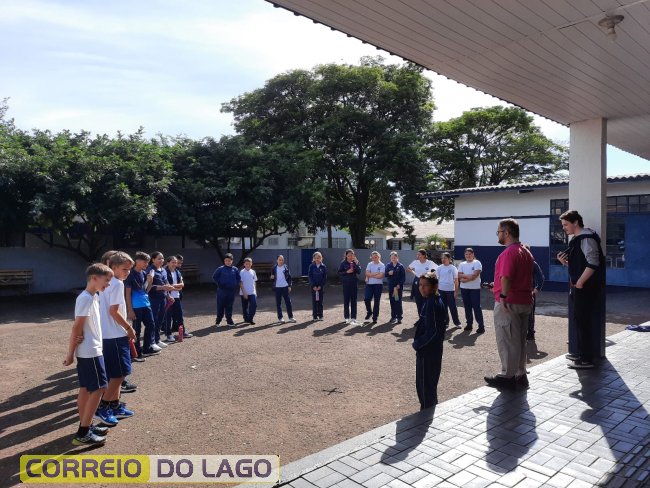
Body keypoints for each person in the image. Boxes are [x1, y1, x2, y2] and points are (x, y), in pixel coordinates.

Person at [63, 263, 113, 445]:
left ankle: (87, 424)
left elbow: (84, 326)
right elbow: (76, 327)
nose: (108, 284)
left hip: (91, 349)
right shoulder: (85, 298)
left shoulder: (93, 296)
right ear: (94, 278)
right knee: (99, 388)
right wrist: (70, 353)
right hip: (90, 351)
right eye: (106, 280)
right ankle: (83, 433)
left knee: (86, 388)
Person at [484, 219, 534, 390]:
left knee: (507, 340)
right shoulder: (526, 252)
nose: (497, 235)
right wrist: (498, 286)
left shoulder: (508, 253)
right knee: (519, 341)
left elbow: (506, 276)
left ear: (506, 233)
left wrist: (503, 295)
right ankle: (520, 375)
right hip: (524, 301)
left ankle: (507, 376)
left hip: (509, 302)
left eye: (498, 232)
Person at [557, 210, 605, 369]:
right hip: (582, 286)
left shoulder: (586, 238)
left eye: (566, 224)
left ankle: (586, 359)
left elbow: (593, 263)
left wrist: (580, 282)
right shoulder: (578, 239)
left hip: (585, 287)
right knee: (580, 319)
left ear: (576, 222)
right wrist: (565, 263)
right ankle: (582, 355)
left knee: (583, 321)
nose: (564, 228)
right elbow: (581, 264)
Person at [96, 251, 136, 425]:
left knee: (115, 373)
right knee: (120, 374)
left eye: (129, 269)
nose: (127, 272)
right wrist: (129, 328)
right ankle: (102, 407)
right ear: (113, 267)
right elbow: (114, 311)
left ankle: (115, 405)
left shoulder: (106, 282)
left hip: (107, 334)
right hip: (115, 334)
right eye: (124, 269)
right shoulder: (117, 284)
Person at [412, 272, 446, 410]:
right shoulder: (430, 300)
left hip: (429, 352)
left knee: (426, 386)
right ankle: (427, 410)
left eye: (425, 285)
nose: (422, 288)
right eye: (420, 284)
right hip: (428, 350)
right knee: (425, 385)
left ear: (435, 286)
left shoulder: (433, 302)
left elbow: (434, 331)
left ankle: (426, 415)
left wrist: (418, 344)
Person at [125, 251, 159, 357]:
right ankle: (136, 352)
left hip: (146, 304)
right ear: (137, 261)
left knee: (151, 325)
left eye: (147, 262)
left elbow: (146, 290)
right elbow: (127, 294)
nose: (147, 264)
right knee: (137, 329)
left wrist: (150, 281)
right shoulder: (130, 275)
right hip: (136, 306)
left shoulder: (144, 273)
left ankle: (146, 348)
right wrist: (130, 309)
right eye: (145, 262)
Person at [147, 252, 175, 346]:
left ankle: (157, 340)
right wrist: (163, 287)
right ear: (153, 259)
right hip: (153, 299)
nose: (161, 260)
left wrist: (168, 295)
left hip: (163, 298)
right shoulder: (150, 270)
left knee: (160, 320)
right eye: (159, 258)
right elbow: (147, 287)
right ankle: (151, 342)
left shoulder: (163, 270)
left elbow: (166, 283)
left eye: (162, 258)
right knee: (153, 320)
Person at [458, 248, 485, 333]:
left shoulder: (477, 263)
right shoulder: (462, 264)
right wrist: (470, 276)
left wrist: (465, 279)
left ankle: (481, 326)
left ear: (473, 254)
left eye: (470, 254)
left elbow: (475, 275)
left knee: (476, 307)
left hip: (474, 289)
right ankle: (469, 324)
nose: (468, 256)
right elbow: (459, 275)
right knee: (467, 307)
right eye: (466, 254)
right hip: (464, 289)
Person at [165, 256, 192, 339]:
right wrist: (176, 287)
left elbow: (182, 285)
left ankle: (183, 332)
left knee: (179, 315)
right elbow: (166, 286)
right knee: (168, 316)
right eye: (172, 262)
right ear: (168, 263)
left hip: (177, 297)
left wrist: (172, 286)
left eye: (175, 262)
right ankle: (169, 334)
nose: (174, 264)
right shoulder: (164, 272)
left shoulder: (177, 272)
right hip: (168, 298)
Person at [212, 253, 241, 327]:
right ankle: (218, 321)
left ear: (232, 261)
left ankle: (229, 321)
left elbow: (238, 278)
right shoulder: (220, 269)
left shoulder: (235, 269)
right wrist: (220, 284)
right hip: (222, 291)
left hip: (231, 291)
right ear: (224, 261)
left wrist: (235, 284)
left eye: (229, 260)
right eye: (226, 261)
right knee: (220, 305)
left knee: (229, 306)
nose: (227, 262)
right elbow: (214, 277)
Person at [523, 245, 545, 341]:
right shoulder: (519, 262)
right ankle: (525, 332)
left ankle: (530, 332)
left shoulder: (533, 263)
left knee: (529, 313)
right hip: (520, 293)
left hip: (528, 293)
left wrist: (536, 289)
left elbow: (541, 278)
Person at [407, 249, 438, 314]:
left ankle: (426, 317)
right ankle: (420, 317)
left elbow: (438, 269)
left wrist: (430, 274)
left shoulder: (430, 263)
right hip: (417, 281)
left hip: (427, 283)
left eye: (419, 255)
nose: (417, 256)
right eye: (417, 255)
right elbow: (408, 269)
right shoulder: (415, 262)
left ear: (424, 255)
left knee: (426, 300)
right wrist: (415, 273)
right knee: (418, 300)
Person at [437, 252, 461, 327]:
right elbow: (437, 279)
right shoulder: (439, 268)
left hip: (450, 290)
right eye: (442, 258)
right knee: (443, 307)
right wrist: (436, 290)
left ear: (449, 259)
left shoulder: (453, 268)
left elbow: (456, 280)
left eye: (445, 258)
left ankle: (457, 323)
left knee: (452, 307)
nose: (443, 259)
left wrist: (456, 291)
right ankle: (446, 322)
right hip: (441, 290)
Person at [338, 249, 361, 325]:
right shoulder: (343, 263)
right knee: (346, 301)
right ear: (346, 256)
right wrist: (346, 272)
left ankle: (353, 318)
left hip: (354, 284)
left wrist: (356, 264)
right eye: (349, 255)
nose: (351, 256)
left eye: (352, 255)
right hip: (346, 284)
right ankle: (347, 318)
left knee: (354, 301)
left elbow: (359, 272)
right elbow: (339, 273)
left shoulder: (356, 262)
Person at [270, 255, 296, 323]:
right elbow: (272, 278)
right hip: (277, 288)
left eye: (282, 260)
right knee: (278, 303)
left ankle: (291, 317)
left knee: (288, 302)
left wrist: (289, 286)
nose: (281, 261)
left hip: (285, 287)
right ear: (277, 260)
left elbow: (289, 277)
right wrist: (272, 278)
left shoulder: (285, 267)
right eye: (279, 260)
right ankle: (280, 318)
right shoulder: (274, 268)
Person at [363, 251, 385, 325]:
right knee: (367, 299)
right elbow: (366, 273)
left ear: (379, 257)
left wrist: (370, 275)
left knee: (376, 301)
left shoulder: (382, 265)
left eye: (376, 257)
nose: (374, 258)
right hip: (369, 284)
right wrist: (376, 273)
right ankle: (369, 312)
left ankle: (375, 317)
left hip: (378, 285)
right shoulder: (369, 264)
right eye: (372, 257)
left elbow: (381, 276)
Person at [385, 251, 406, 324]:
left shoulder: (400, 266)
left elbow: (403, 277)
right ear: (390, 258)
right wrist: (388, 273)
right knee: (392, 301)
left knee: (397, 301)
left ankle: (399, 317)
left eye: (394, 257)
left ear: (397, 257)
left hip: (397, 287)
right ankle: (393, 317)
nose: (393, 259)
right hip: (391, 286)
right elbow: (385, 274)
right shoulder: (388, 265)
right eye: (392, 258)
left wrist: (399, 284)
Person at [308, 251, 327, 321]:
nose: (317, 259)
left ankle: (320, 315)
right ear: (313, 258)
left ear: (321, 258)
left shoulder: (323, 266)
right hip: (313, 287)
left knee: (320, 301)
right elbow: (310, 277)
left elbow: (324, 277)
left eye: (319, 257)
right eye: (316, 258)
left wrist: (320, 286)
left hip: (320, 287)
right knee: (314, 301)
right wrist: (313, 286)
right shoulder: (311, 266)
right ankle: (315, 316)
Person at [240, 257, 258, 325]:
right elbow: (241, 283)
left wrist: (255, 291)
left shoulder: (253, 272)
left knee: (254, 305)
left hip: (252, 292)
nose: (248, 265)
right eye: (246, 264)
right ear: (244, 264)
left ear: (251, 264)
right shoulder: (242, 272)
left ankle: (250, 318)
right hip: (244, 293)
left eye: (249, 264)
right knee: (245, 307)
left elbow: (254, 282)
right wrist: (244, 293)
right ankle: (245, 318)